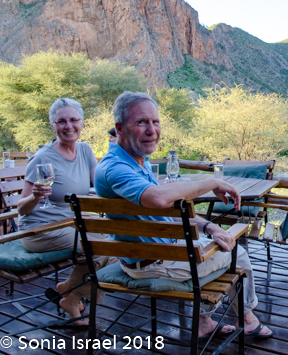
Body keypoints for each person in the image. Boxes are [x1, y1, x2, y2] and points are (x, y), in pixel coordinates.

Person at [94, 91, 272, 340]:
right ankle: (247, 319)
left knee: (219, 242)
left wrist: (210, 227)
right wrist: (212, 182)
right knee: (237, 252)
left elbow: (167, 212)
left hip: (161, 253)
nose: (152, 130)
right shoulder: (116, 168)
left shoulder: (137, 162)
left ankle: (205, 322)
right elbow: (159, 198)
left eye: (155, 122)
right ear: (120, 128)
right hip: (155, 264)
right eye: (141, 122)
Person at [17, 98, 115, 325]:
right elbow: (21, 208)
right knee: (102, 249)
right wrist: (35, 196)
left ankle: (69, 291)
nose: (68, 126)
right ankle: (72, 296)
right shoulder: (43, 158)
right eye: (61, 121)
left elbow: (101, 186)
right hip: (40, 230)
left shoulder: (85, 150)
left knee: (117, 241)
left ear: (82, 123)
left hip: (72, 222)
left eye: (73, 120)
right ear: (53, 126)